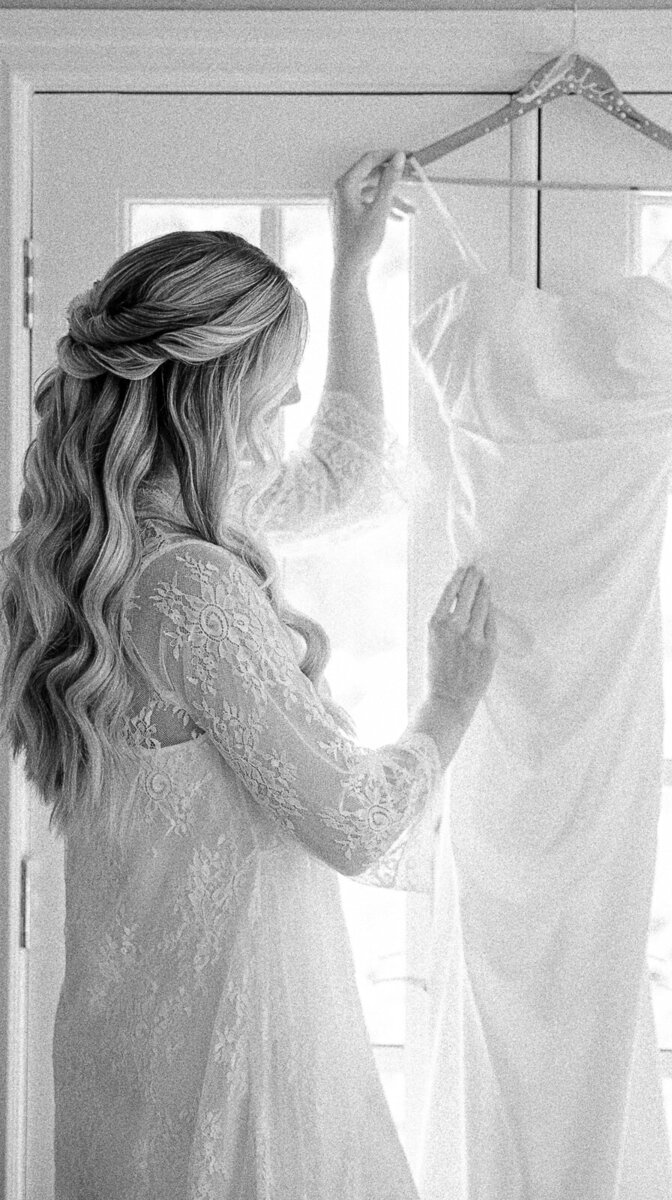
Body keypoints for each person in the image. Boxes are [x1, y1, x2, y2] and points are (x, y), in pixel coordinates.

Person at [0, 150, 498, 1198]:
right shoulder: (188, 586)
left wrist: (351, 273)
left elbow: (344, 475)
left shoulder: (96, 551)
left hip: (128, 1038)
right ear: (210, 396)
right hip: (235, 1049)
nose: (277, 435)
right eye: (271, 404)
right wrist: (447, 705)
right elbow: (357, 823)